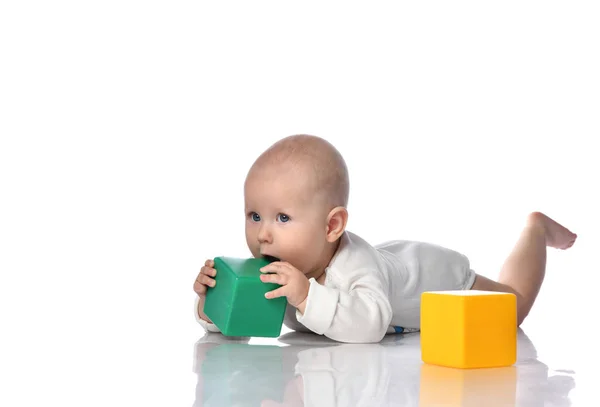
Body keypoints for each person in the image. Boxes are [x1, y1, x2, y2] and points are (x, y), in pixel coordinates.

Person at [193, 134, 577, 343]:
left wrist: (307, 297)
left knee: (513, 308)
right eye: (254, 215)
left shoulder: (355, 267)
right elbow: (248, 325)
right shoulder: (283, 270)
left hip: (431, 277)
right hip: (394, 265)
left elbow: (371, 325)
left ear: (331, 227)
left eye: (282, 218)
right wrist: (213, 306)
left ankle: (536, 229)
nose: (263, 233)